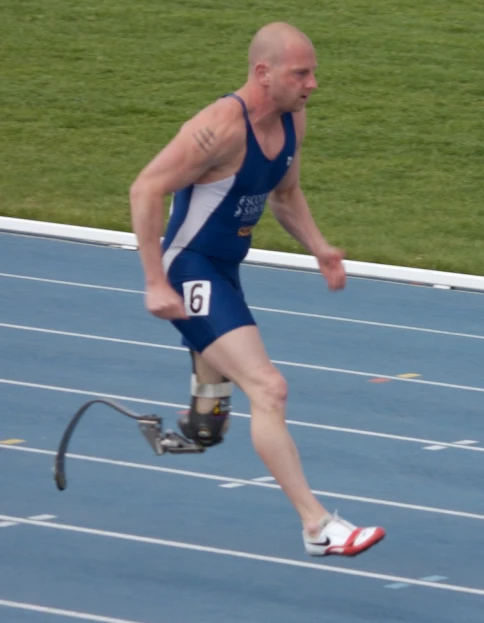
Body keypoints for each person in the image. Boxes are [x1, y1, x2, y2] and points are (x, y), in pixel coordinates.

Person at [129, 21, 385, 556]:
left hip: (224, 270)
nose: (314, 83)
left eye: (313, 72)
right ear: (263, 73)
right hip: (189, 267)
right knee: (269, 389)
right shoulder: (217, 128)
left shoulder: (293, 120)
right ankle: (317, 526)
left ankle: (199, 423)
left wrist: (319, 246)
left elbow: (285, 194)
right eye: (302, 73)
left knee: (210, 423)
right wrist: (154, 281)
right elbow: (146, 186)